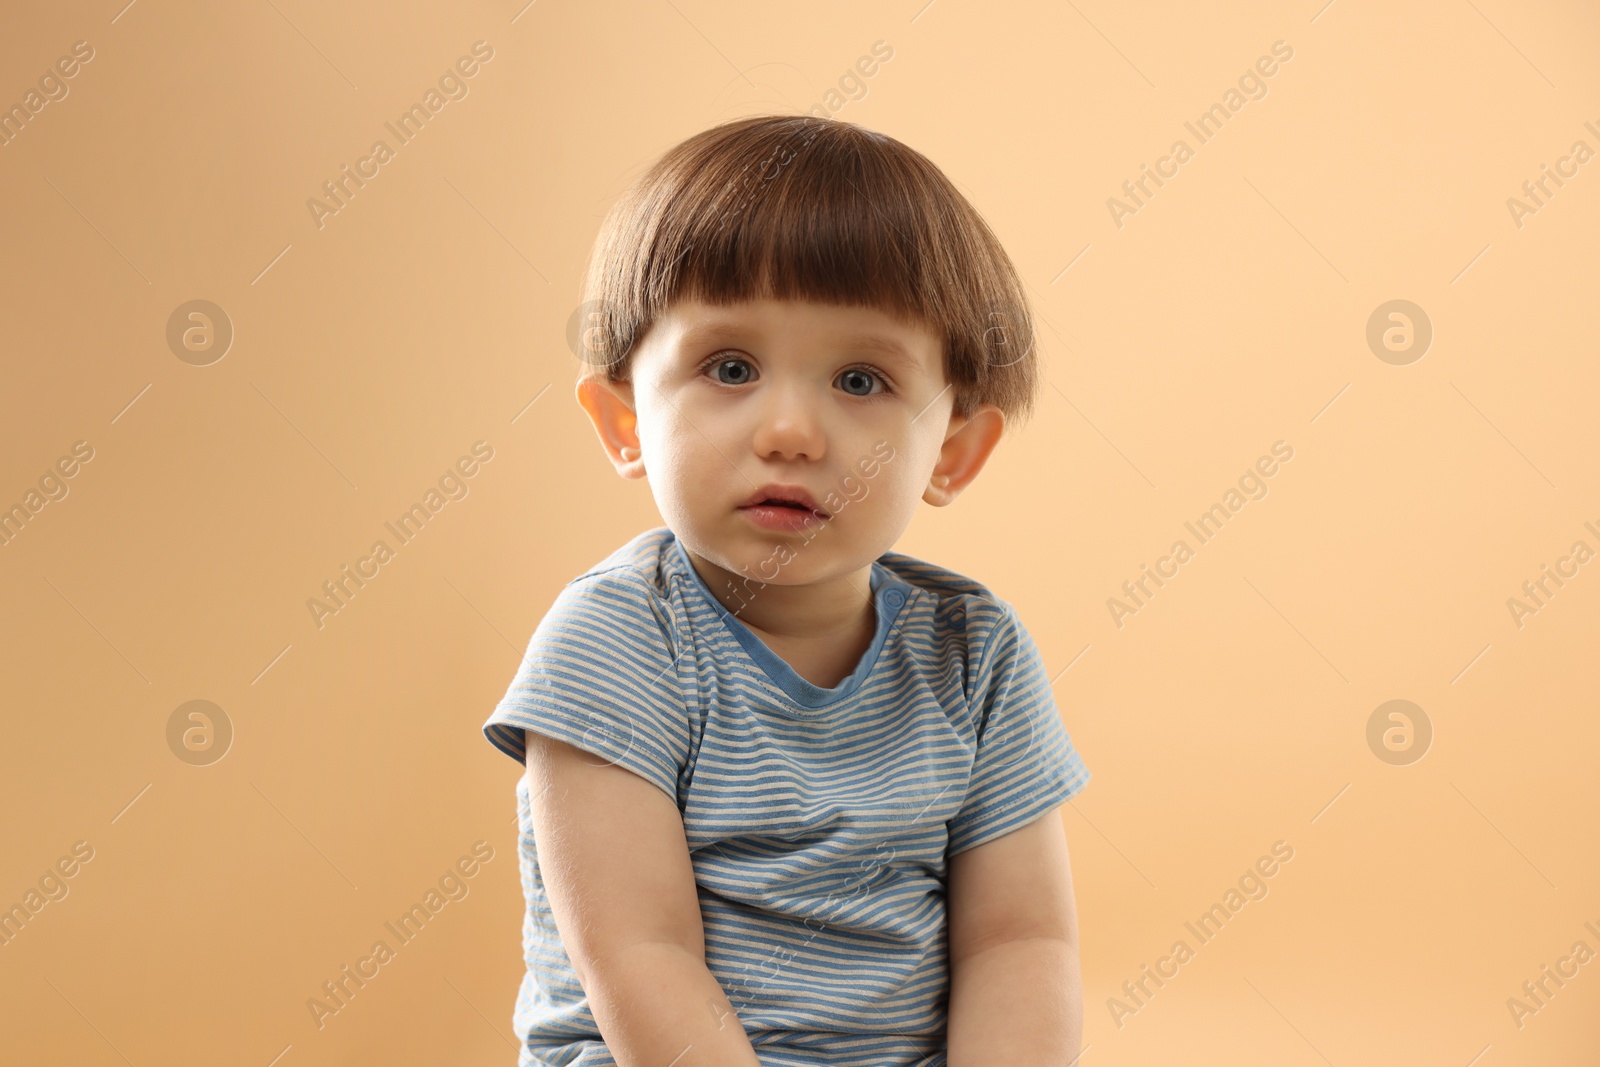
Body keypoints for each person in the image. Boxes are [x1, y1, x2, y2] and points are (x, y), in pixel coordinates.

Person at [481, 113, 1091, 1067]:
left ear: (956, 451)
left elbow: (1020, 941)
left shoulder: (975, 652)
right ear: (624, 422)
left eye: (860, 378)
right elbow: (641, 955)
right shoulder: (618, 640)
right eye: (730, 368)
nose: (792, 431)